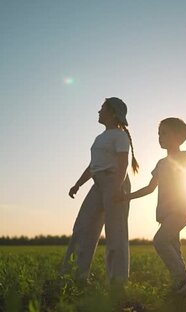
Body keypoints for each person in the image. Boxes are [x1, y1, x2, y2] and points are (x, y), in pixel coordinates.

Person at [61, 97, 139, 287]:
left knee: (115, 233)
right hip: (98, 183)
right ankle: (76, 277)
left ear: (112, 112)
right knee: (82, 227)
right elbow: (92, 166)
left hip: (115, 181)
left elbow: (123, 163)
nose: (98, 111)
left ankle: (117, 283)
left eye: (102, 108)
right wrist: (78, 184)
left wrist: (118, 187)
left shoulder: (119, 136)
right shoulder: (100, 137)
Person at [121, 117, 186, 295]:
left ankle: (183, 281)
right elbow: (150, 188)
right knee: (174, 248)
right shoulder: (161, 164)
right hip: (166, 213)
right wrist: (127, 196)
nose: (160, 137)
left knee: (160, 241)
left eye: (164, 133)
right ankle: (182, 287)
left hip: (180, 210)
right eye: (159, 134)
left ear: (178, 136)